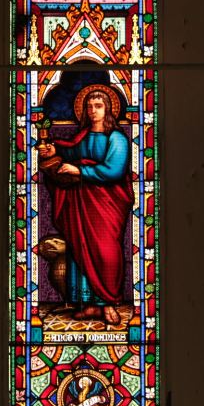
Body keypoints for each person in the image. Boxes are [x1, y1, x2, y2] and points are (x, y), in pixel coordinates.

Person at [41, 86, 133, 325]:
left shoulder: (117, 138)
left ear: (108, 109)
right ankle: (91, 305)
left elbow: (114, 170)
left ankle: (109, 303)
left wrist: (79, 169)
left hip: (106, 204)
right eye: (89, 106)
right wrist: (55, 149)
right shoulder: (82, 136)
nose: (93, 110)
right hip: (82, 203)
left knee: (106, 251)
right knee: (80, 249)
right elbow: (70, 150)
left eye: (98, 106)